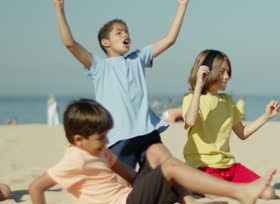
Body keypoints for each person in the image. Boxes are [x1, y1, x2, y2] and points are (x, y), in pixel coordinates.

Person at [29, 99, 274, 204]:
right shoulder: (74, 159)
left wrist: (152, 194)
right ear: (78, 140)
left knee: (155, 151)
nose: (106, 142)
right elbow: (35, 188)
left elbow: (132, 178)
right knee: (167, 167)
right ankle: (240, 192)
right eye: (100, 138)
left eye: (106, 136)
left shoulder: (101, 151)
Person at [52, 0, 189, 170]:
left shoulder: (138, 58)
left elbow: (169, 40)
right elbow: (70, 44)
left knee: (164, 177)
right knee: (123, 187)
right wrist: (59, 8)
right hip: (118, 137)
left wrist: (182, 6)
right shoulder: (99, 66)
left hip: (147, 132)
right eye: (119, 33)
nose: (126, 35)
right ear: (105, 42)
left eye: (127, 32)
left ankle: (186, 197)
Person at [182, 50, 280, 200]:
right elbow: (191, 121)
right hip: (202, 167)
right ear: (207, 72)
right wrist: (198, 87)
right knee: (218, 195)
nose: (227, 77)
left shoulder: (227, 101)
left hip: (229, 167)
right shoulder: (191, 98)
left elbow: (243, 133)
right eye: (222, 72)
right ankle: (194, 185)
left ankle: (220, 188)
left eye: (228, 72)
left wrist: (266, 116)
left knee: (269, 193)